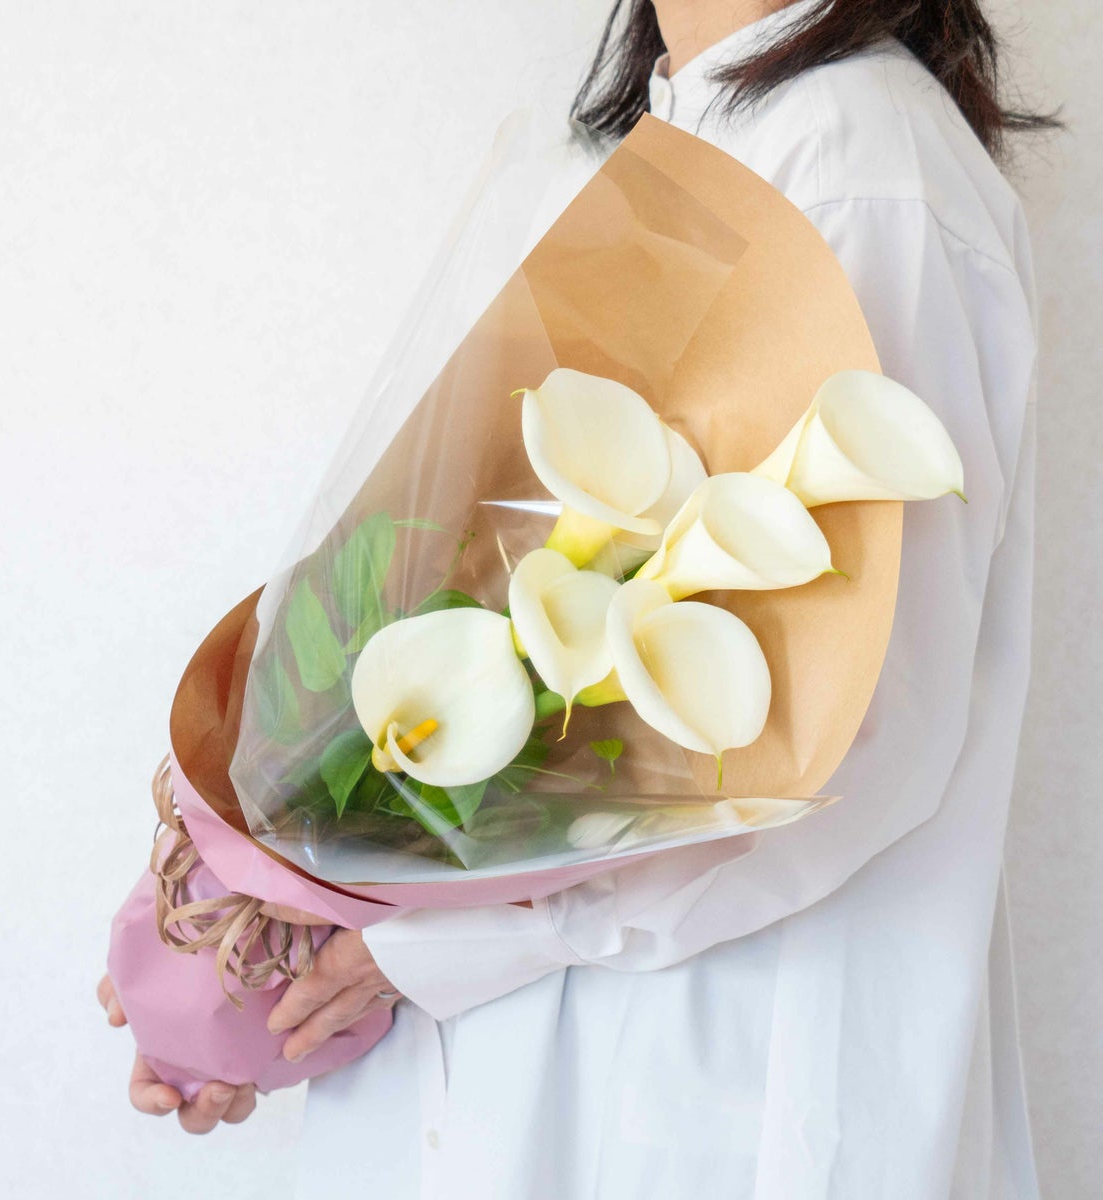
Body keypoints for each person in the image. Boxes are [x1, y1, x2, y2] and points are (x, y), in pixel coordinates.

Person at [98, 0, 1055, 1193]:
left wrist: (438, 945)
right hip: (523, 1055)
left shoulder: (864, 169)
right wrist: (231, 939)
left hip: (708, 1062)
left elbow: (859, 738)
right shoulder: (653, 142)